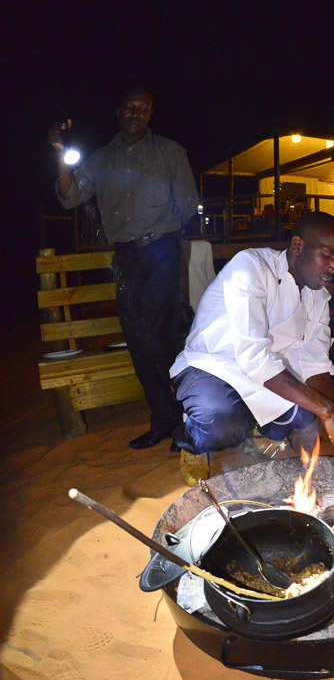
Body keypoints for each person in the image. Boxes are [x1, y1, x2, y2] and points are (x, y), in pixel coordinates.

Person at [171, 211, 334, 483]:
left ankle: (257, 428)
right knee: (220, 424)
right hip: (213, 367)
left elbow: (315, 365)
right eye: (328, 255)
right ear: (298, 245)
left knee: (321, 387)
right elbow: (253, 359)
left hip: (266, 371)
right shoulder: (251, 267)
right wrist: (329, 412)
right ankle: (193, 440)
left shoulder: (317, 297)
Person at [52, 88, 199, 449]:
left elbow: (187, 203)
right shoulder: (102, 158)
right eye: (130, 107)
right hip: (127, 259)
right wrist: (60, 156)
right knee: (137, 340)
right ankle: (163, 420)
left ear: (151, 113)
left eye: (143, 108)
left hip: (162, 251)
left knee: (162, 339)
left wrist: (162, 237)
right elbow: (70, 196)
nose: (136, 112)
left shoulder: (168, 151)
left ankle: (187, 421)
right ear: (118, 112)